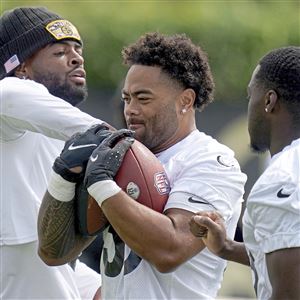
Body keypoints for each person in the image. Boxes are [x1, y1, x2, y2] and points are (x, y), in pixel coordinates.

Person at [38, 32, 247, 299]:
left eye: (143, 98)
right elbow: (54, 253)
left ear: (186, 100)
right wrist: (64, 175)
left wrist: (102, 185)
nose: (130, 110)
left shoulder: (212, 162)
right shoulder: (121, 155)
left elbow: (170, 252)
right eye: (127, 99)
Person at [0, 6, 108, 299]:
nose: (76, 57)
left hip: (43, 256)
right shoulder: (8, 91)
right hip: (18, 252)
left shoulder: (52, 126)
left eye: (77, 49)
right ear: (20, 67)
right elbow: (106, 139)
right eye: (59, 52)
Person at [189, 46, 300, 300]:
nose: (249, 104)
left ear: (269, 101)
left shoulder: (281, 180)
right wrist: (227, 247)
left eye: (251, 94)